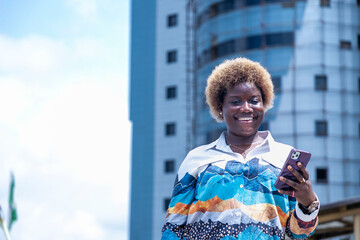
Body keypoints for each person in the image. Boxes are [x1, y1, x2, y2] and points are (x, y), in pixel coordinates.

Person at [161, 57, 319, 240]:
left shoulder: (284, 157)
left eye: (254, 100)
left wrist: (308, 202)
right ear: (221, 107)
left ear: (264, 104)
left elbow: (299, 235)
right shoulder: (196, 159)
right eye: (235, 101)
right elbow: (172, 228)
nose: (246, 108)